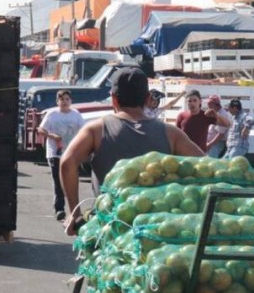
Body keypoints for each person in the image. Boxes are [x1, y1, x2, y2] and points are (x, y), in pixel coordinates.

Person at [60, 67, 203, 236]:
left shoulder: (97, 130)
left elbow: (67, 162)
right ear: (148, 99)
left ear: (113, 99)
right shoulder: (171, 133)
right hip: (158, 230)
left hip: (111, 227)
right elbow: (205, 165)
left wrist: (74, 214)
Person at [38, 90, 85, 221]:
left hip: (70, 153)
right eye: (61, 99)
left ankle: (74, 210)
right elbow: (41, 129)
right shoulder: (52, 114)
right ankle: (59, 209)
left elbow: (83, 130)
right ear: (57, 101)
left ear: (71, 101)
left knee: (70, 181)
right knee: (58, 181)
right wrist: (51, 135)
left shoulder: (76, 115)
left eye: (67, 99)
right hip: (55, 153)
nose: (64, 102)